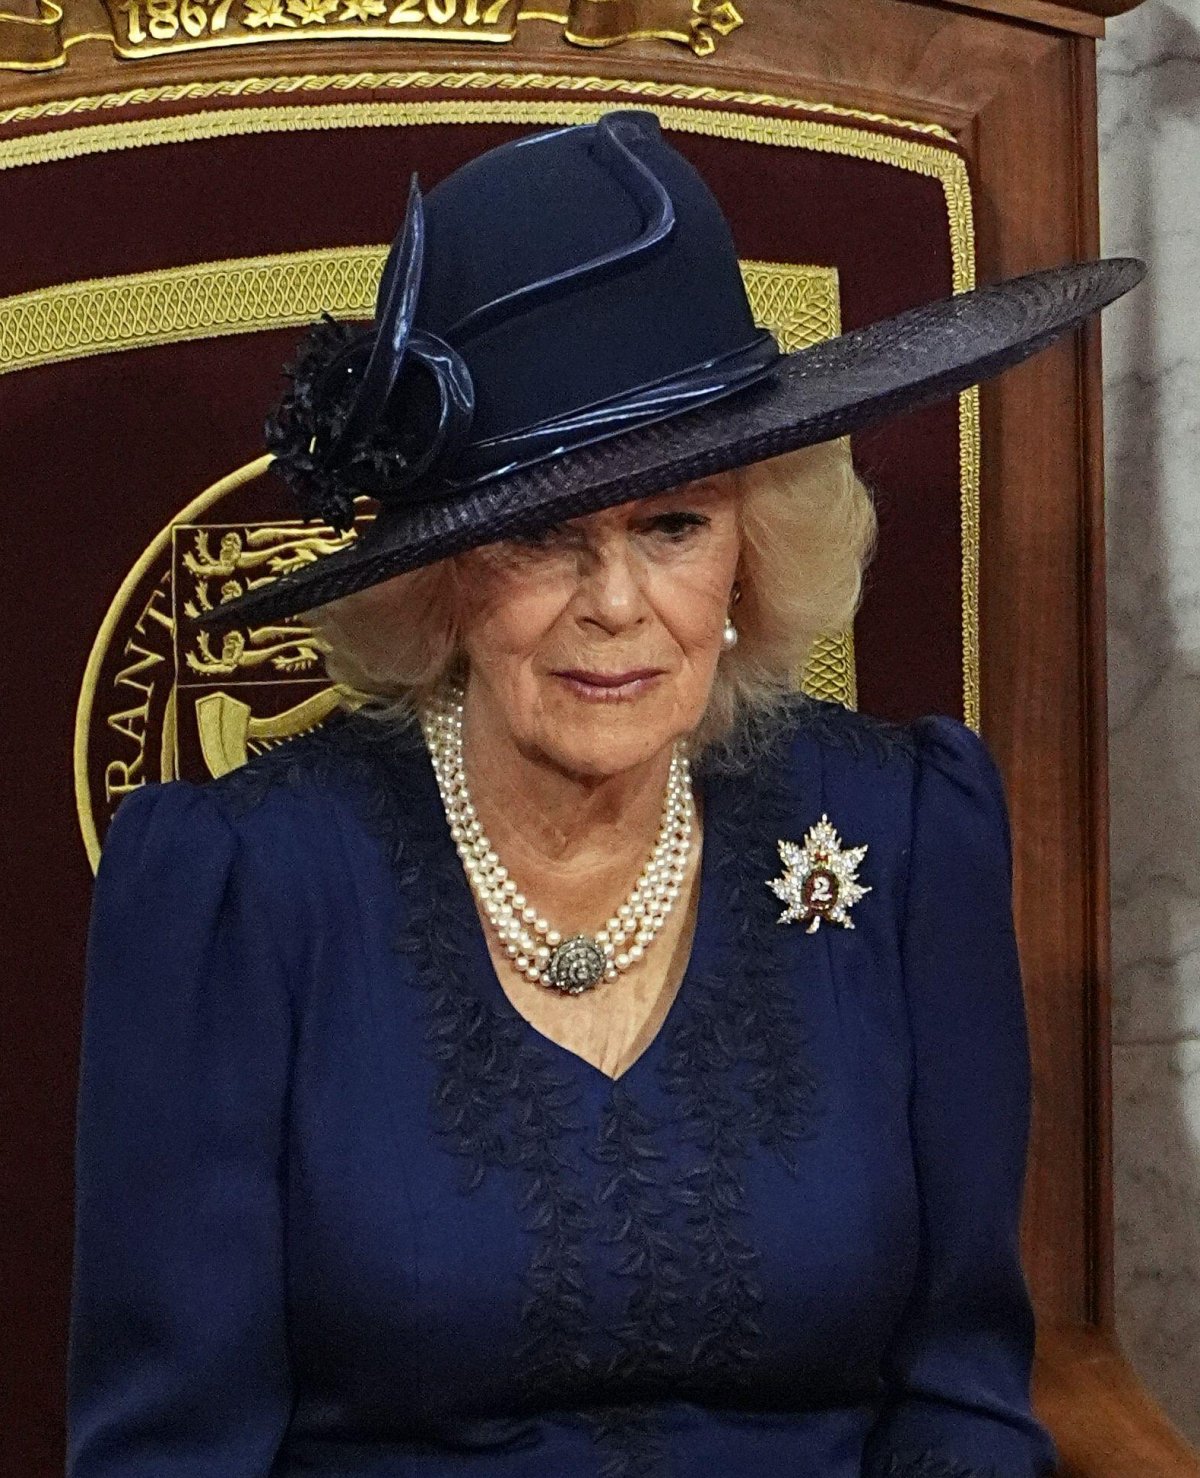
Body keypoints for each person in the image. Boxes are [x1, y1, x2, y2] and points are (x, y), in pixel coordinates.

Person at [66, 110, 1143, 1477]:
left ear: (752, 547)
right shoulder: (244, 888)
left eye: (674, 523)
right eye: (542, 533)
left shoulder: (902, 834)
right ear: (440, 574)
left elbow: (963, 1397)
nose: (618, 605)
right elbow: (169, 1453)